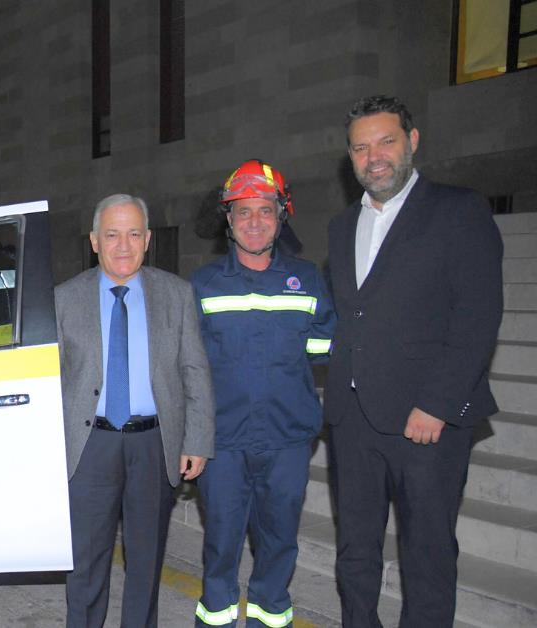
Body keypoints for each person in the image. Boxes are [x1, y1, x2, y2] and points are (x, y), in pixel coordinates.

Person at [326, 95, 503, 627]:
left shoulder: (458, 210)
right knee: (355, 550)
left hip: (425, 422)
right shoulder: (341, 226)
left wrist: (437, 404)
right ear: (350, 157)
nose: (374, 156)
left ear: (413, 141)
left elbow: (477, 317)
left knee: (426, 553)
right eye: (361, 148)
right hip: (352, 419)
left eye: (386, 141)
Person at [56, 194, 215, 627]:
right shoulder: (64, 299)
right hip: (88, 446)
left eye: (133, 234)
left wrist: (197, 440)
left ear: (147, 240)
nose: (123, 246)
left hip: (154, 445)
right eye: (112, 235)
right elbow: (52, 379)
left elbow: (195, 369)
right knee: (85, 564)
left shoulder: (176, 294)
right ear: (94, 241)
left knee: (146, 561)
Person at [190, 160, 335, 627]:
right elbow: (188, 369)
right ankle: (216, 618)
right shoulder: (203, 285)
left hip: (287, 439)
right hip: (223, 442)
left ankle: (271, 618)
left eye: (265, 210)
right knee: (221, 542)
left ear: (281, 216)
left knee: (279, 542)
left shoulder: (308, 280)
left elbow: (324, 349)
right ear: (228, 220)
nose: (254, 221)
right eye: (243, 211)